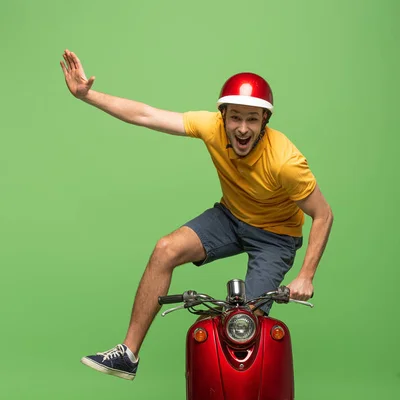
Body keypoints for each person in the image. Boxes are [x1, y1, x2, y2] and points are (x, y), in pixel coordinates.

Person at [60, 49, 334, 381]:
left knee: (244, 321)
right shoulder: (210, 126)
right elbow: (146, 115)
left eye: (252, 119)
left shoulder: (286, 161)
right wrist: (87, 96)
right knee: (165, 249)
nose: (242, 128)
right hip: (231, 218)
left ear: (265, 121)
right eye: (235, 117)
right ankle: (128, 355)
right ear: (223, 116)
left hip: (275, 238)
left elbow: (323, 215)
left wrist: (306, 275)